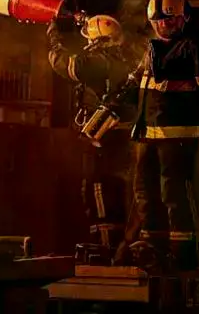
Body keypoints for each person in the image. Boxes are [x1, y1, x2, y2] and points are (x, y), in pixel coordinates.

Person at [112, 0, 199, 273]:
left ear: (183, 18)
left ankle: (182, 255)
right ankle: (152, 250)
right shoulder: (150, 50)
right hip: (146, 136)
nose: (166, 24)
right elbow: (134, 88)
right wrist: (111, 107)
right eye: (161, 20)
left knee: (173, 195)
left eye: (171, 19)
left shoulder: (195, 48)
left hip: (177, 137)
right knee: (145, 193)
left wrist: (194, 114)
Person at [47, 14, 135, 260]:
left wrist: (54, 36)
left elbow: (64, 64)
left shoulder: (98, 61)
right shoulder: (121, 60)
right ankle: (117, 248)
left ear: (98, 41)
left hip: (102, 138)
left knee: (99, 192)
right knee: (113, 193)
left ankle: (107, 251)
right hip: (116, 137)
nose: (86, 44)